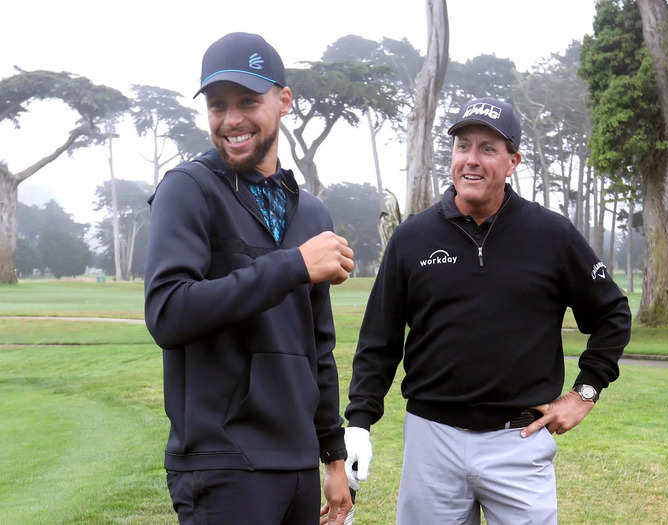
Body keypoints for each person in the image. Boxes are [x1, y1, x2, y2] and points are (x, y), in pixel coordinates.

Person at [343, 97, 632, 524]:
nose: (471, 160)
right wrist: (359, 422)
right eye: (463, 147)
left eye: (487, 149)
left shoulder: (550, 234)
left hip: (519, 440)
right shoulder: (413, 238)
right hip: (432, 440)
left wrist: (585, 393)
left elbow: (612, 314)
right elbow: (379, 341)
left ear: (513, 161)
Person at [144, 32, 353, 525]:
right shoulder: (188, 190)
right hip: (223, 465)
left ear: (283, 101)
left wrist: (334, 456)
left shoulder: (310, 212)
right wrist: (292, 265)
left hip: (298, 464)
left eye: (248, 101)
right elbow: (168, 313)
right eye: (218, 105)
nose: (232, 119)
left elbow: (317, 348)